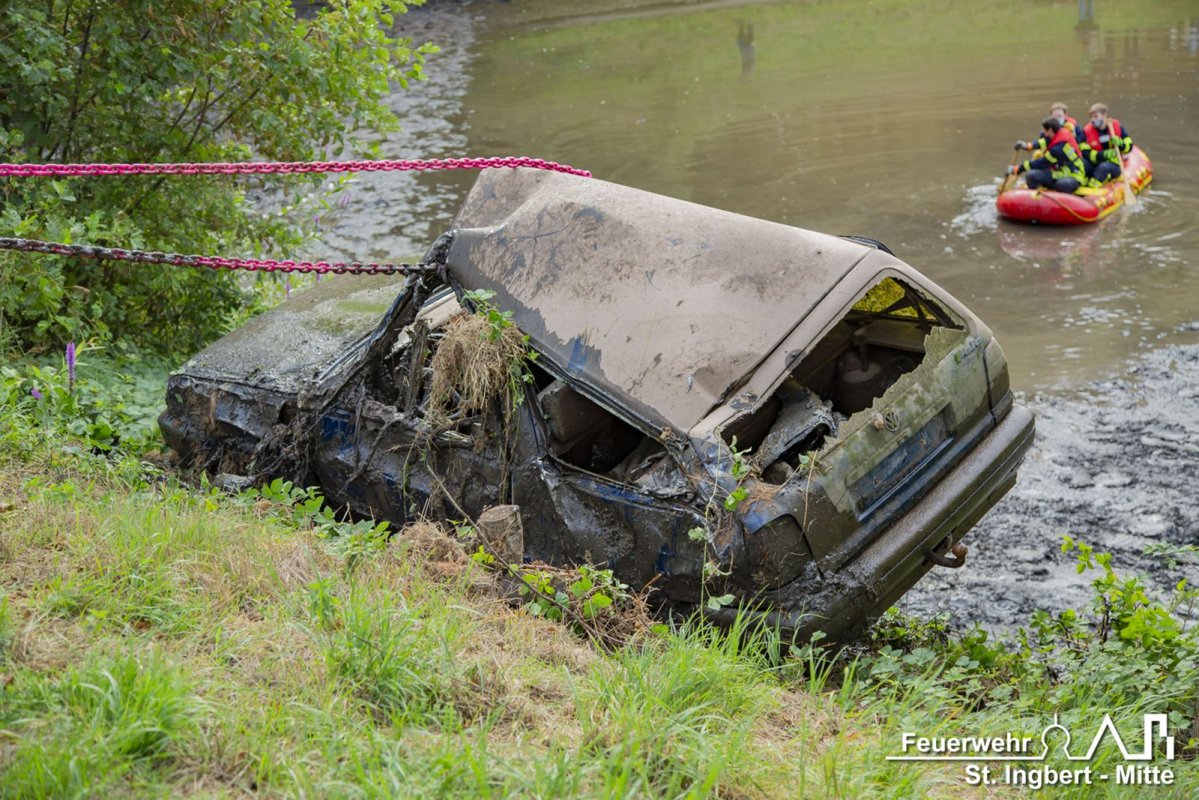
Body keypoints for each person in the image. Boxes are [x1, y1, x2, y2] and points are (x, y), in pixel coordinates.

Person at [1008, 116, 1087, 193]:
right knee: (1031, 176)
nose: (1042, 131)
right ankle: (1037, 197)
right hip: (1058, 173)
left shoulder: (1058, 148)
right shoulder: (1057, 133)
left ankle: (1057, 199)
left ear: (1050, 130)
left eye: (1044, 130)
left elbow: (1042, 163)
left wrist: (1019, 169)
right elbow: (1044, 141)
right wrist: (1028, 146)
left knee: (1062, 184)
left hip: (1073, 175)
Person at [1080, 102, 1133, 185]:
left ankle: (1093, 190)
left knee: (1103, 168)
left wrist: (1120, 144)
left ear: (1104, 114)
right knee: (1081, 163)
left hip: (1113, 164)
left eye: (1096, 117)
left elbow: (1129, 146)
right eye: (1091, 117)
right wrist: (1102, 155)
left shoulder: (1116, 127)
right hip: (1095, 162)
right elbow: (1084, 152)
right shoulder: (1087, 131)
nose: (1093, 120)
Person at [1015, 102, 1079, 153]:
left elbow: (1081, 140)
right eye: (1055, 117)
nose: (1057, 119)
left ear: (1066, 115)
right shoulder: (1047, 129)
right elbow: (1042, 142)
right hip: (1053, 155)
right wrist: (1028, 146)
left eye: (1059, 116)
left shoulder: (1073, 126)